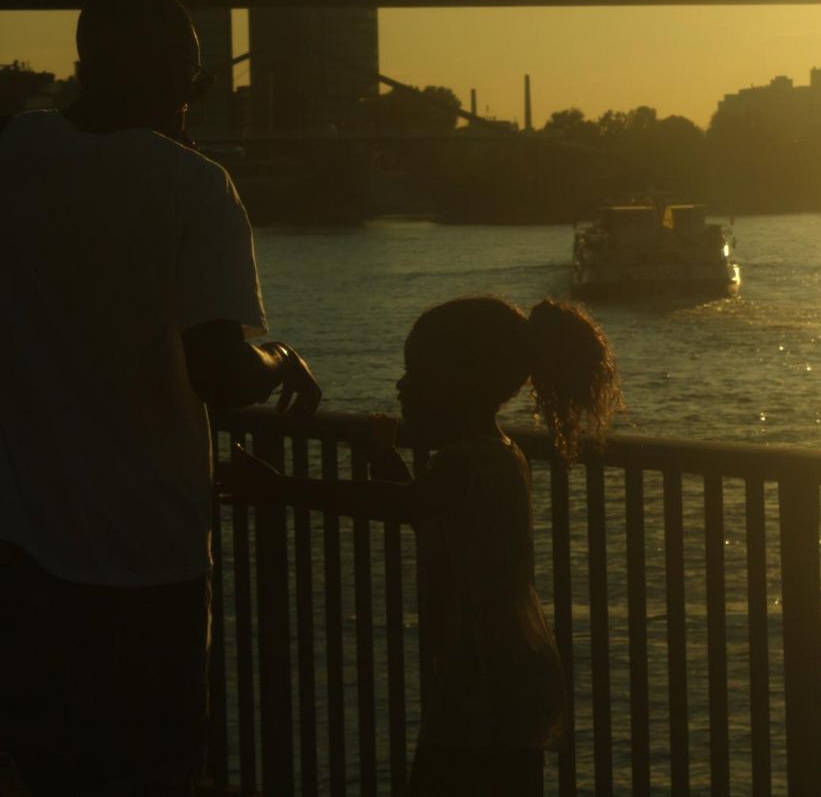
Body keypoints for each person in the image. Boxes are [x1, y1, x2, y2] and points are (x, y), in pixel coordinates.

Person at [0, 0, 321, 797]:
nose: (197, 101)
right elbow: (222, 374)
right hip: (148, 560)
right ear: (172, 72)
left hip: (24, 555)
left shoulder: (16, 155)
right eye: (197, 80)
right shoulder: (194, 187)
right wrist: (282, 359)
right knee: (158, 770)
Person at [217, 296, 620, 796]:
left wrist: (280, 487)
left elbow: (407, 505)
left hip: (487, 678)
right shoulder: (498, 453)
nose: (402, 386)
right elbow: (425, 509)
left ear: (458, 383)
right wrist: (385, 458)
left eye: (417, 372)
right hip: (511, 666)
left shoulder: (463, 462)